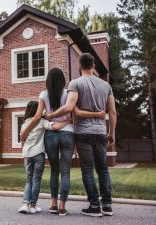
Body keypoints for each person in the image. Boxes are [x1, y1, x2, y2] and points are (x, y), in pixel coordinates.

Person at [20, 68, 105, 216]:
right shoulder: (69, 93)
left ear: (48, 80)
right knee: (65, 171)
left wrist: (26, 130)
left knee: (54, 170)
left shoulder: (43, 94)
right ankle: (62, 206)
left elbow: (37, 117)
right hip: (68, 134)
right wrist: (70, 120)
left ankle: (53, 204)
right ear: (62, 80)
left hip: (51, 135)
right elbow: (74, 112)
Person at [46, 53, 117, 217]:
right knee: (103, 170)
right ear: (93, 66)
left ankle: (94, 206)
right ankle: (107, 205)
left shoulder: (76, 83)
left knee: (88, 170)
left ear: (79, 66)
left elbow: (69, 106)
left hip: (83, 133)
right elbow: (112, 112)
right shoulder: (106, 85)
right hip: (100, 132)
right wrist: (111, 132)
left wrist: (51, 115)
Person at [18, 101, 71, 214]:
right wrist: (68, 121)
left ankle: (25, 204)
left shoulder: (24, 124)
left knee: (29, 180)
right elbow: (56, 127)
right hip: (38, 155)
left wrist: (24, 155)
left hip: (27, 155)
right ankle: (33, 206)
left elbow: (22, 142)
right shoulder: (42, 122)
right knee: (36, 180)